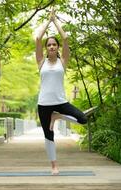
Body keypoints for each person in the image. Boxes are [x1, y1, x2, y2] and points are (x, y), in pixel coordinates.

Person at [36, 10, 87, 175]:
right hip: (44, 103)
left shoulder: (62, 61)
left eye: (54, 44)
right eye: (49, 44)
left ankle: (56, 116)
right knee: (48, 136)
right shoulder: (41, 62)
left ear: (57, 47)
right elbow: (37, 39)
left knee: (83, 119)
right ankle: (54, 166)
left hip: (60, 102)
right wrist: (47, 22)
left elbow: (65, 38)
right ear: (46, 48)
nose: (51, 46)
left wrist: (55, 21)